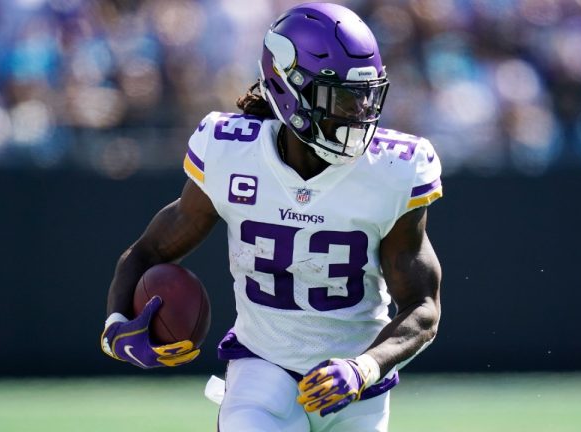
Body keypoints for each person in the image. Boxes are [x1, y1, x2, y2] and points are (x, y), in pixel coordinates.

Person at [100, 3, 442, 431]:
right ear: (288, 89)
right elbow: (148, 251)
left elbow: (423, 305)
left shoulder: (393, 170)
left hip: (356, 385)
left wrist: (365, 368)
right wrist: (116, 326)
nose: (358, 116)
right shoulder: (232, 153)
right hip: (263, 368)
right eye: (340, 99)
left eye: (365, 98)